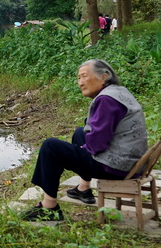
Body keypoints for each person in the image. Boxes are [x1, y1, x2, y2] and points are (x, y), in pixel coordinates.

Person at [21, 59, 148, 222]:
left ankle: (49, 207)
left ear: (104, 76)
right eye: (78, 78)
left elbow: (97, 144)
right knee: (80, 132)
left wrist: (80, 149)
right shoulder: (119, 92)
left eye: (84, 76)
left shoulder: (106, 100)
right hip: (131, 161)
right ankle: (84, 188)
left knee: (50, 147)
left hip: (117, 166)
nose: (80, 83)